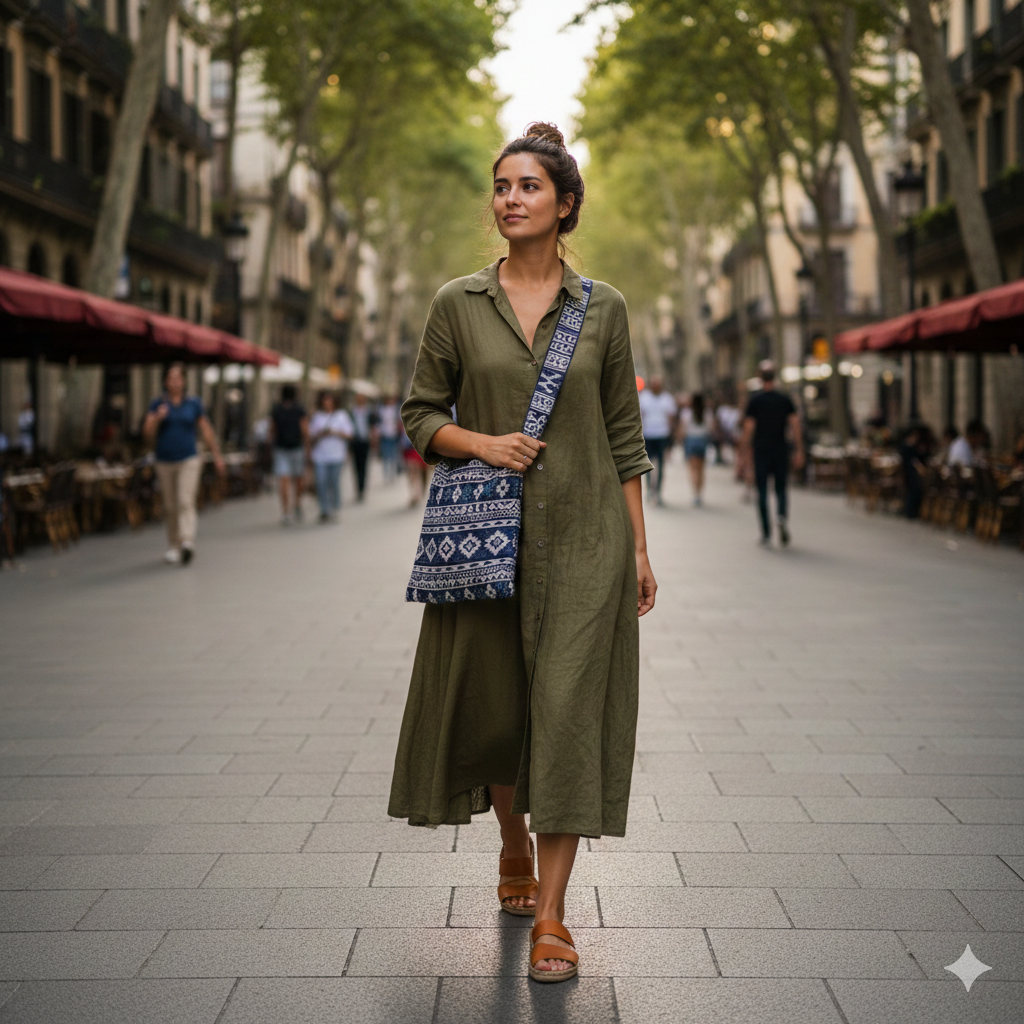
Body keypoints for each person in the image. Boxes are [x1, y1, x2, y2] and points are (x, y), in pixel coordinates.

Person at [388, 122, 656, 984]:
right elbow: (419, 414)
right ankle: (511, 840)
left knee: (570, 717)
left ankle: (552, 913)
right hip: (488, 542)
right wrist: (479, 442)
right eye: (502, 186)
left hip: (587, 541)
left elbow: (624, 438)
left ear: (564, 204)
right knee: (502, 717)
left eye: (528, 186)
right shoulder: (456, 304)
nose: (510, 198)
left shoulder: (602, 307)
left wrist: (639, 554)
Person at [143, 362, 224, 565]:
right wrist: (157, 418)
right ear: (165, 381)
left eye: (178, 378)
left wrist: (217, 455)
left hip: (188, 458)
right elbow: (147, 433)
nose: (174, 382)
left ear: (184, 381)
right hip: (164, 460)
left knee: (185, 500)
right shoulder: (158, 404)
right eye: (170, 378)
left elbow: (206, 429)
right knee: (170, 505)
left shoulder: (193, 403)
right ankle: (173, 545)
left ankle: (187, 541)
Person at [742, 363, 805, 547]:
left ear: (761, 379)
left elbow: (748, 429)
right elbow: (795, 426)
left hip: (761, 451)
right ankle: (781, 517)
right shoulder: (785, 400)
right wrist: (799, 450)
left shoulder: (755, 401)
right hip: (781, 450)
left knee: (761, 490)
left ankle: (766, 532)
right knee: (781, 488)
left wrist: (745, 452)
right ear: (774, 378)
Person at [308, 391, 353, 522]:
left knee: (334, 482)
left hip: (337, 455)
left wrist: (335, 432)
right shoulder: (317, 416)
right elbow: (310, 435)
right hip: (320, 455)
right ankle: (324, 509)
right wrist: (320, 434)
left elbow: (350, 434)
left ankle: (335, 508)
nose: (327, 403)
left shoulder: (341, 416)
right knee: (321, 482)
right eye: (324, 400)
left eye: (329, 400)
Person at [270, 384, 308, 525]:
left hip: (282, 448)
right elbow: (304, 429)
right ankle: (295, 505)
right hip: (295, 448)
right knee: (295, 479)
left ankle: (287, 510)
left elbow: (272, 429)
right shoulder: (299, 409)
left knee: (285, 480)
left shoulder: (277, 409)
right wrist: (308, 446)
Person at [637, 375, 677, 504]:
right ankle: (649, 489)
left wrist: (671, 436)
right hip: (648, 434)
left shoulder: (667, 399)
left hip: (662, 434)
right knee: (648, 464)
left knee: (660, 464)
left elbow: (671, 417)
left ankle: (658, 491)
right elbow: (639, 414)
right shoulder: (644, 398)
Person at [680, 392, 710, 506]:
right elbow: (710, 428)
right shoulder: (706, 413)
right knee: (701, 469)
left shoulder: (687, 413)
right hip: (702, 440)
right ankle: (699, 493)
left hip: (691, 440)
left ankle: (695, 493)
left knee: (693, 469)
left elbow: (683, 429)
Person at [348, 392, 374, 502]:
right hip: (355, 441)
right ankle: (358, 488)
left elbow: (372, 425)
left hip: (365, 441)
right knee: (356, 466)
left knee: (363, 465)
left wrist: (373, 439)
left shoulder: (368, 411)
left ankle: (362, 488)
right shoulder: (351, 411)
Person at [378, 395, 402, 482]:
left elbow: (400, 422)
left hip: (394, 435)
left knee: (393, 455)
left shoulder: (396, 410)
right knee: (385, 456)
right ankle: (386, 474)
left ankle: (392, 474)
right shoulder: (382, 410)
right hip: (385, 435)